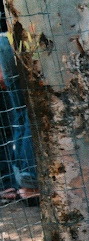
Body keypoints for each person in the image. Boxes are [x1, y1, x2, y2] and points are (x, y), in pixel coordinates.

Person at [0, 2, 38, 205]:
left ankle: (24, 181)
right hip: (8, 42)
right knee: (28, 113)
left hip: (11, 41)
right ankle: (29, 180)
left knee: (21, 114)